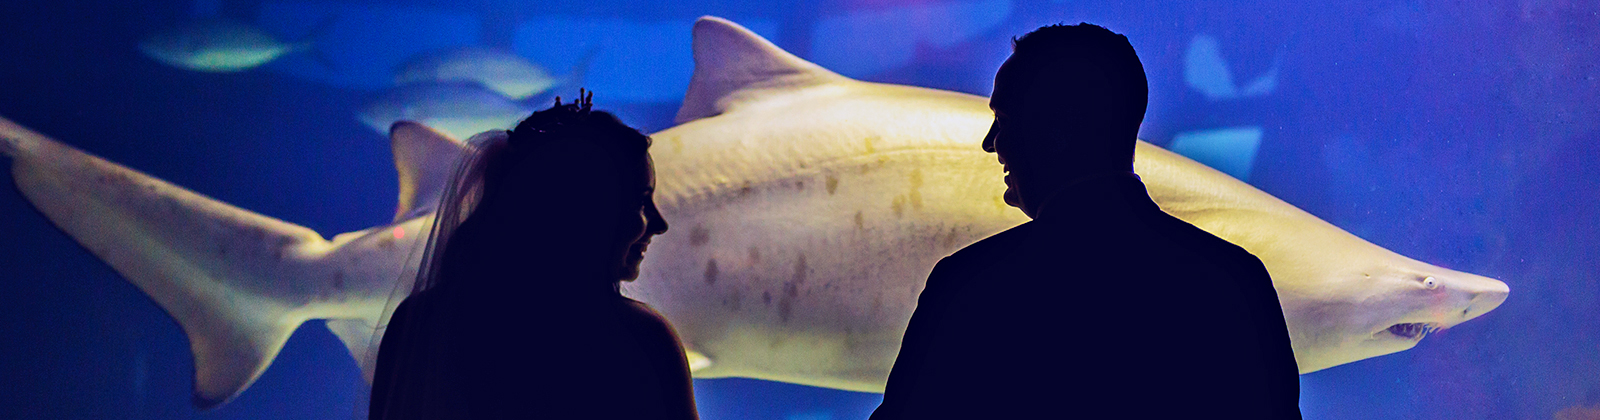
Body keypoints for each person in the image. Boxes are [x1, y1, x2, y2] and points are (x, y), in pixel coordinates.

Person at [870, 24, 1302, 418]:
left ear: (1052, 135)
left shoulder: (968, 285)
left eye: (1002, 121)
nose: (989, 145)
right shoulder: (1235, 279)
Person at [368, 91, 697, 420]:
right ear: (588, 213)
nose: (660, 224)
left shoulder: (420, 324)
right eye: (640, 202)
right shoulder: (641, 340)